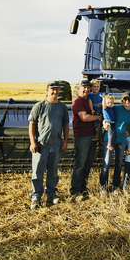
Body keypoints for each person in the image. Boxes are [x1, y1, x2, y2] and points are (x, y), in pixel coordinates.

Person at [28, 81, 70, 209]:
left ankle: (51, 194)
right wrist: (33, 142)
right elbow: (32, 124)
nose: (55, 92)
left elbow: (66, 125)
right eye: (53, 90)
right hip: (42, 145)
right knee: (38, 172)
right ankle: (36, 196)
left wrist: (65, 141)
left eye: (57, 90)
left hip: (56, 144)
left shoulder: (62, 107)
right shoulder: (39, 106)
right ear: (47, 90)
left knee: (53, 172)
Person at [69, 80, 103, 200]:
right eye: (84, 88)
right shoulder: (78, 102)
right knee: (80, 164)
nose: (86, 90)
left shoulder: (88, 100)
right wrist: (98, 117)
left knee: (88, 164)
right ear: (79, 88)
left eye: (88, 88)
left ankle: (83, 188)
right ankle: (75, 191)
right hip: (82, 136)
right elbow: (84, 117)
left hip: (92, 136)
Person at [98, 92, 130, 195]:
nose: (127, 101)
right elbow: (106, 113)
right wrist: (104, 122)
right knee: (106, 164)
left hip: (121, 140)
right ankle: (103, 187)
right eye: (125, 99)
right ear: (122, 100)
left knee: (118, 165)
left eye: (129, 100)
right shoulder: (116, 108)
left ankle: (115, 186)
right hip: (109, 139)